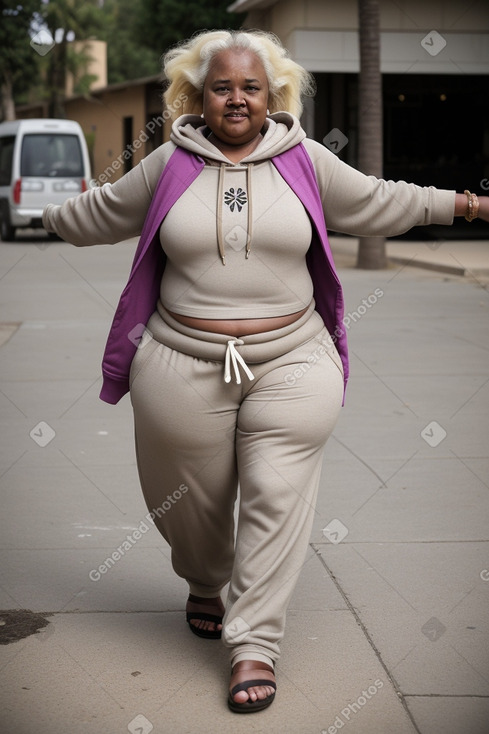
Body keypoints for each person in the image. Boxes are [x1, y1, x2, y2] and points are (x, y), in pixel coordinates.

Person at [42, 29, 488, 714]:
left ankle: (253, 643)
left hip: (293, 359)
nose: (237, 98)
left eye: (251, 86)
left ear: (272, 94)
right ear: (199, 95)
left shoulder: (304, 160)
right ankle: (202, 577)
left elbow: (379, 198)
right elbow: (101, 213)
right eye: (222, 86)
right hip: (178, 362)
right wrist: (45, 214)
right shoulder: (168, 163)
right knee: (190, 505)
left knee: (276, 498)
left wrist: (466, 203)